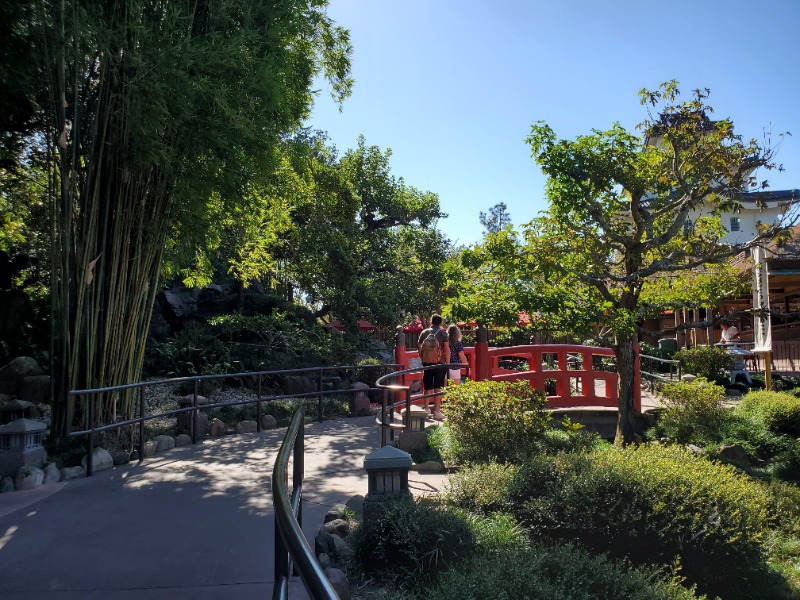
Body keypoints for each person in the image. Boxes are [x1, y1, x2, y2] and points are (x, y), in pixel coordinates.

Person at [417, 314, 448, 420]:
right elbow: (446, 349)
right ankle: (437, 411)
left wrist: (423, 358)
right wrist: (447, 362)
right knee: (438, 388)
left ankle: (426, 409)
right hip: (440, 363)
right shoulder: (443, 333)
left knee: (427, 386)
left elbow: (419, 346)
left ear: (431, 322)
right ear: (440, 323)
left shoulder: (424, 332)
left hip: (427, 363)